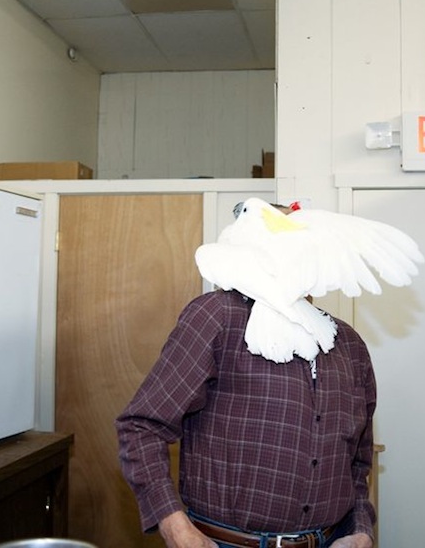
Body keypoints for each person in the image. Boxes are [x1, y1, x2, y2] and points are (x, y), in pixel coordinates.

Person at [116, 202, 378, 548]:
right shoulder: (217, 317)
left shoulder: (348, 344)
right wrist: (175, 528)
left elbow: (357, 462)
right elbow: (141, 427)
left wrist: (360, 530)